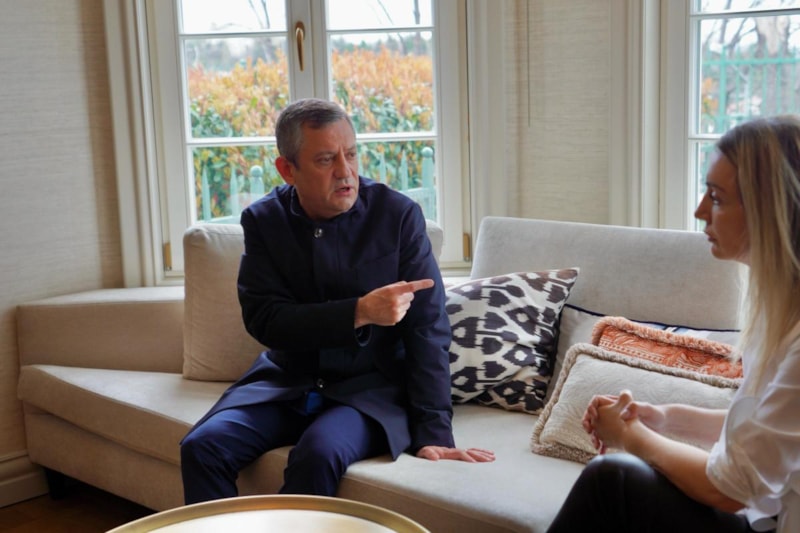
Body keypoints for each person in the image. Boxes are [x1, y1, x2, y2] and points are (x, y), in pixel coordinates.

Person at [180, 98, 494, 504]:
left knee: (318, 454)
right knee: (202, 447)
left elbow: (428, 329)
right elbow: (265, 320)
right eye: (326, 159)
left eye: (351, 154)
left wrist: (434, 432)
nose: (346, 172)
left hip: (369, 392)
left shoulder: (398, 216)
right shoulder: (263, 221)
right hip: (286, 383)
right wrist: (359, 312)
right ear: (287, 169)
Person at [547, 115, 800, 533]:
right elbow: (761, 433)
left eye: (716, 197)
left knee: (613, 479)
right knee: (615, 481)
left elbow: (730, 488)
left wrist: (630, 436)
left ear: (769, 210)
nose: (700, 211)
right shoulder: (779, 313)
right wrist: (660, 417)